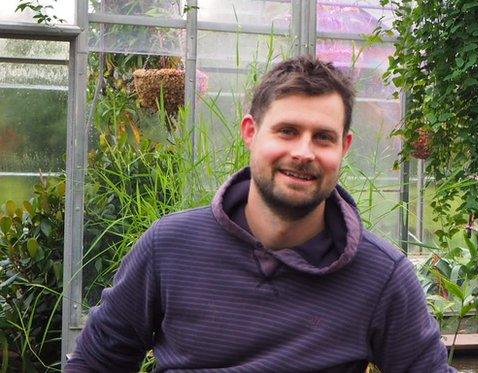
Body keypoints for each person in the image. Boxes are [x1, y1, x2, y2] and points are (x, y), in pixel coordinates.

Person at [67, 56, 454, 372]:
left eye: (323, 137)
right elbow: (95, 363)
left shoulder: (381, 275)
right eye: (287, 131)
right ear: (251, 132)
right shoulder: (169, 247)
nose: (304, 152)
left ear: (344, 147)